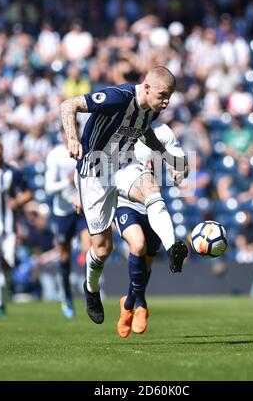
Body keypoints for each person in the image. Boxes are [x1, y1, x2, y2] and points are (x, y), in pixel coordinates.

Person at [60, 66, 188, 327]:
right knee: (102, 249)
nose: (166, 102)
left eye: (170, 97)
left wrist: (171, 160)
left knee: (153, 190)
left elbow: (146, 135)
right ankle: (91, 288)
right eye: (163, 95)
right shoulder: (118, 97)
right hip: (93, 172)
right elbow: (68, 104)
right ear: (147, 87)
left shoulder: (151, 109)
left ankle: (172, 246)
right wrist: (72, 139)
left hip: (123, 165)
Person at [114, 120, 187, 337]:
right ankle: (141, 305)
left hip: (153, 206)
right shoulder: (118, 129)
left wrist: (180, 171)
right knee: (137, 245)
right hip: (124, 202)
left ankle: (128, 304)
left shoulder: (162, 132)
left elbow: (181, 162)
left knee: (145, 263)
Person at [45, 127, 91, 319]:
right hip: (63, 212)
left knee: (89, 249)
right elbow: (49, 187)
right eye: (67, 132)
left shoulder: (87, 150)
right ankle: (67, 296)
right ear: (62, 135)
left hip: (83, 209)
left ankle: (91, 293)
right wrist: (68, 181)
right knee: (64, 257)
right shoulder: (56, 155)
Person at [0, 135, 32, 316]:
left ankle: (1, 298)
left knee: (7, 264)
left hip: (8, 228)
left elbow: (28, 193)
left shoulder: (12, 172)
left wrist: (17, 201)